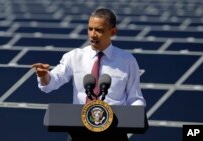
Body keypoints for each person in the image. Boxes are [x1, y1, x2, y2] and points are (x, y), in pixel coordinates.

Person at [32, 8, 146, 141]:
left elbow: (135, 98)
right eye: (90, 29)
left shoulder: (127, 60)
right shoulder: (74, 57)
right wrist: (43, 75)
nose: (93, 35)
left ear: (113, 32)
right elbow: (52, 82)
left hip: (114, 132)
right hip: (79, 131)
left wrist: (135, 117)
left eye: (99, 30)